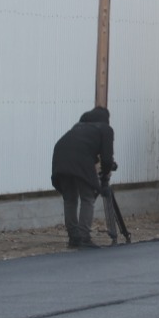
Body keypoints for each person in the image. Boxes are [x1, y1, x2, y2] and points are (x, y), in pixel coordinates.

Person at [51, 106, 117, 248]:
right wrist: (104, 178)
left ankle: (74, 238)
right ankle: (84, 237)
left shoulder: (78, 127)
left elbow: (82, 148)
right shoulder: (105, 129)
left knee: (70, 199)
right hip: (79, 161)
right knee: (88, 198)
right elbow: (106, 159)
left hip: (60, 157)